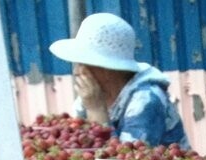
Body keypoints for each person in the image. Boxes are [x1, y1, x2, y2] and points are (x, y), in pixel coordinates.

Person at [49, 13, 188, 148]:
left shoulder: (146, 100)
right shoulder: (92, 95)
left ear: (107, 68)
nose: (77, 71)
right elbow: (80, 147)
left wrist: (96, 110)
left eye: (84, 63)